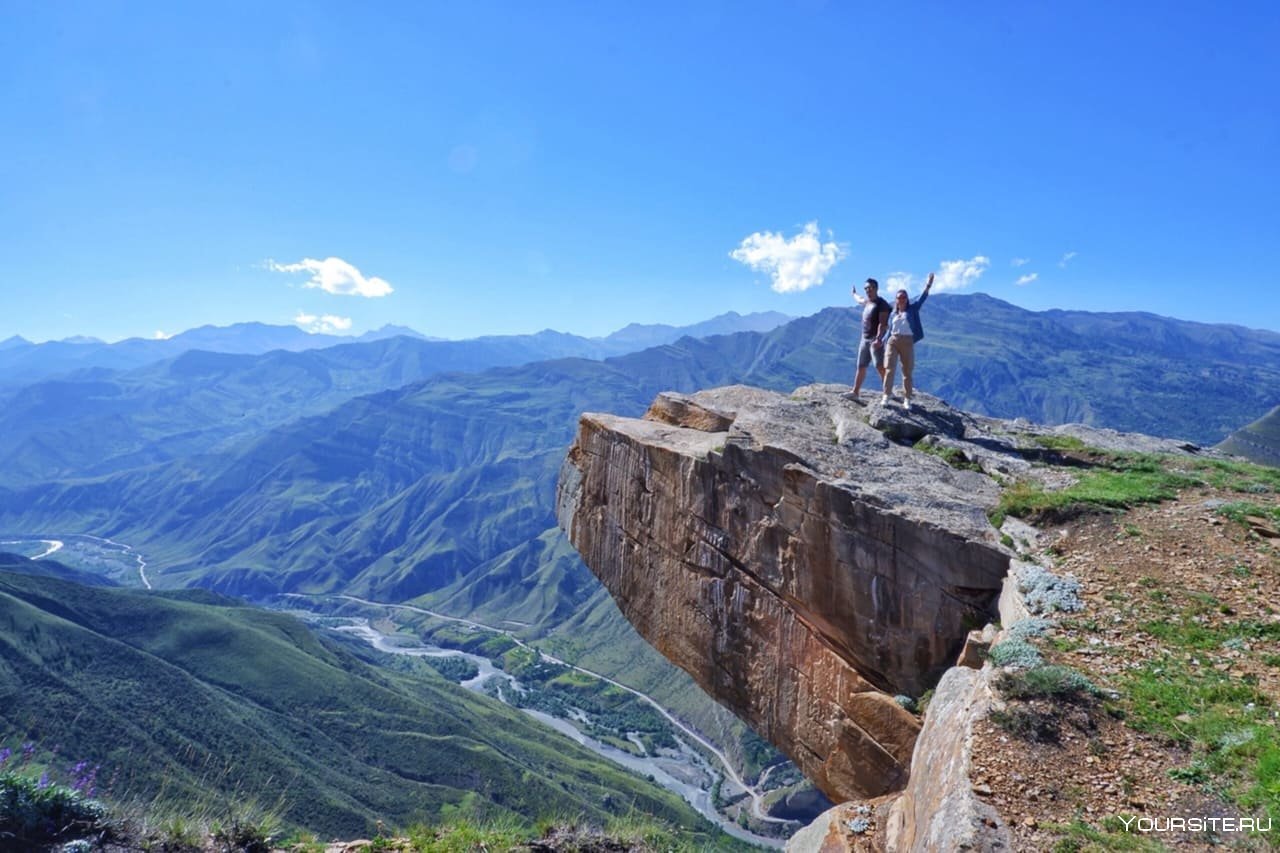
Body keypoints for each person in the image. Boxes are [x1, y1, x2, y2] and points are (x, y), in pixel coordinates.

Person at [882, 272, 934, 410]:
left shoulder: (913, 309)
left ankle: (907, 399)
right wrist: (881, 340)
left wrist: (928, 284)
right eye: (899, 297)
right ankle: (886, 395)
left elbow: (923, 298)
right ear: (896, 300)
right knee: (889, 368)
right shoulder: (893, 313)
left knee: (907, 372)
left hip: (907, 341)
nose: (901, 299)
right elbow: (889, 329)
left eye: (904, 297)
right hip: (893, 341)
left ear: (907, 299)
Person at [849, 278, 891, 401]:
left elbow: (883, 324)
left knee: (879, 366)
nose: (868, 290)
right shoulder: (867, 302)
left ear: (876, 288)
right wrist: (853, 294)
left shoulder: (882, 304)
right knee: (861, 366)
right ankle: (855, 392)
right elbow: (859, 299)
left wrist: (878, 339)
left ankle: (888, 391)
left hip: (874, 340)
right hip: (864, 338)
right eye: (866, 288)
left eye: (870, 288)